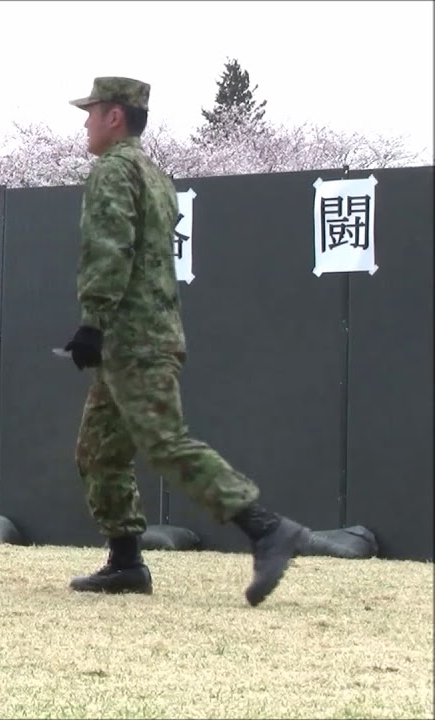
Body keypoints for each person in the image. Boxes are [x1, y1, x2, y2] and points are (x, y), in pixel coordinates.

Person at [62, 77, 309, 606]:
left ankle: (266, 527)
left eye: (92, 111)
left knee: (165, 442)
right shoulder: (155, 175)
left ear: (115, 117)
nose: (85, 121)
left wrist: (93, 321)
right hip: (147, 334)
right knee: (99, 449)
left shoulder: (114, 170)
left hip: (132, 339)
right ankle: (125, 562)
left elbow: (111, 247)